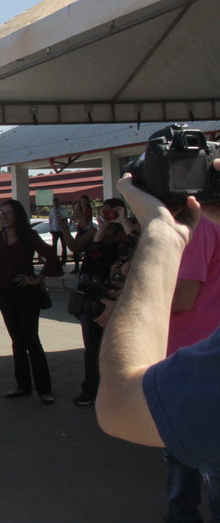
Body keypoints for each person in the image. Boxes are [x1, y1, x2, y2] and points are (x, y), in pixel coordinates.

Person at [97, 167, 220, 469]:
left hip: (188, 353)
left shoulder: (199, 226)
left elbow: (121, 406)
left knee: (188, 464)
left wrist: (160, 233)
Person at [0, 199, 62, 404]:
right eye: (1, 213)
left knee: (32, 340)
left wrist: (37, 278)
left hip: (26, 291)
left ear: (17, 215)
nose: (4, 217)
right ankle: (23, 385)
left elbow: (51, 255)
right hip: (5, 291)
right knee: (17, 341)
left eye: (8, 213)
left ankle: (45, 389)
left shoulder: (29, 236)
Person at [162, 215, 220, 522]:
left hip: (192, 356)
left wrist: (130, 303)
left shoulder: (199, 228)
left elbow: (183, 298)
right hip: (199, 350)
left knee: (188, 451)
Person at [59, 198, 136, 406]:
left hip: (116, 295)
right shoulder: (96, 232)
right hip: (92, 294)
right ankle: (91, 389)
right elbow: (86, 250)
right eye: (104, 211)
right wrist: (69, 229)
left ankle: (117, 391)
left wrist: (121, 221)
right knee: (92, 348)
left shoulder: (127, 232)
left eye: (112, 211)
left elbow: (135, 245)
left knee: (117, 346)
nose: (108, 215)